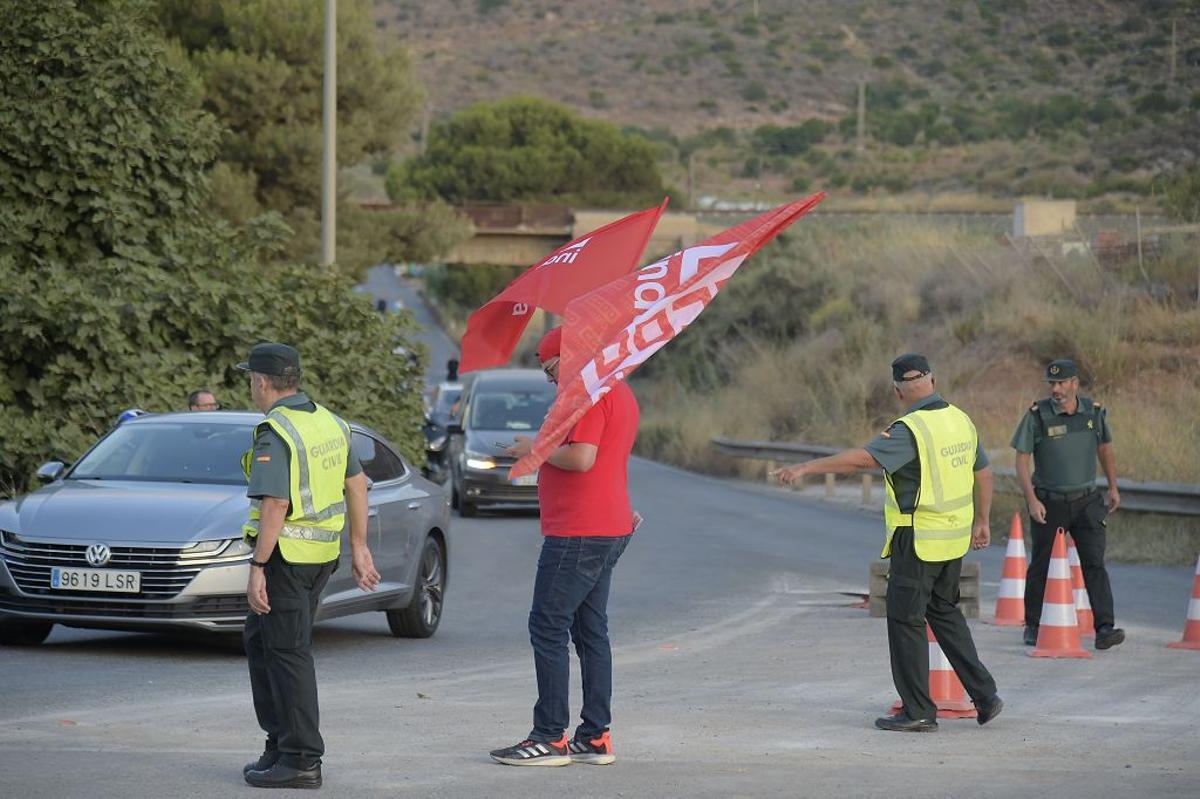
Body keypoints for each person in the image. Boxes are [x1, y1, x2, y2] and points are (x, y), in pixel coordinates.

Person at [772, 354, 1002, 732]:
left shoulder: (910, 430)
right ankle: (986, 695)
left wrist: (805, 467)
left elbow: (864, 460)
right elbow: (985, 471)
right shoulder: (960, 419)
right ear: (933, 381)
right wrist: (983, 521)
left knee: (905, 619)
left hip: (919, 539)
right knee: (944, 612)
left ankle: (919, 711)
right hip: (954, 539)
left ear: (897, 391)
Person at [489, 326, 640, 766]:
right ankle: (594, 737)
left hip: (579, 532)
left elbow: (582, 458)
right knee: (590, 631)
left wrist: (535, 447)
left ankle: (549, 736)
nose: (549, 377)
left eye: (550, 366)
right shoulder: (616, 388)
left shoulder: (589, 392)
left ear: (571, 355)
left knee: (548, 626)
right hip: (605, 525)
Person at [236, 342, 381, 789]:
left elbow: (276, 503)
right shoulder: (330, 422)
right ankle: (280, 744)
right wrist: (359, 547)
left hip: (285, 558)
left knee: (287, 654)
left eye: (250, 380)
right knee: (264, 643)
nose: (251, 387)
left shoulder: (276, 429)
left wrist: (258, 566)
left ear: (262, 382)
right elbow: (357, 485)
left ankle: (301, 758)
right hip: (319, 558)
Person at [1011, 358, 1124, 650]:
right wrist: (1032, 500)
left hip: (1087, 501)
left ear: (1075, 383)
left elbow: (1105, 449)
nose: (1056, 389)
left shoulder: (1093, 412)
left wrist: (1113, 486)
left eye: (1061, 383)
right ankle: (1034, 625)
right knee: (1041, 565)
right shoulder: (1037, 416)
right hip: (1049, 503)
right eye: (1052, 383)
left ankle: (1105, 628)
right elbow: (1021, 460)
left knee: (1094, 564)